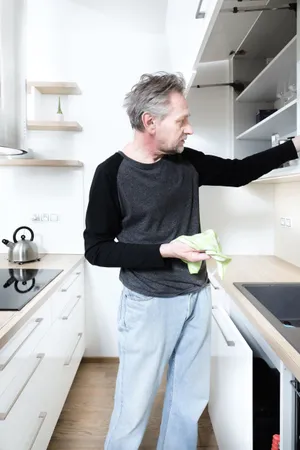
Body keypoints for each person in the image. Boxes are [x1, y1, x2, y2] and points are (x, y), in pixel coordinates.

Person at [83, 72, 300, 450]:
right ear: (150, 122)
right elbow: (97, 249)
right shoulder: (111, 174)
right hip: (147, 304)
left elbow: (237, 173)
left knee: (189, 401)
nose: (189, 129)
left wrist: (293, 146)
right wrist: (165, 250)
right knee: (133, 404)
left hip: (196, 297)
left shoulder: (186, 163)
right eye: (181, 120)